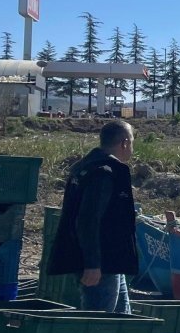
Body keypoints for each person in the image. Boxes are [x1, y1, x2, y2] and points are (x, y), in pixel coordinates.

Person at [47, 120, 140, 313]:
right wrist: (92, 264)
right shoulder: (103, 173)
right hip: (100, 264)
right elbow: (87, 220)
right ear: (124, 143)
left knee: (123, 320)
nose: (132, 148)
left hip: (111, 262)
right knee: (98, 323)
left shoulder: (85, 166)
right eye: (132, 142)